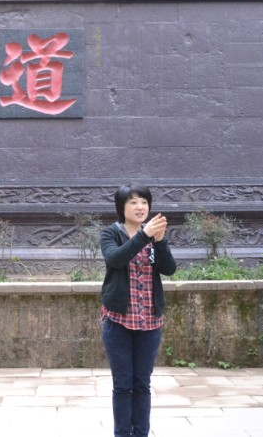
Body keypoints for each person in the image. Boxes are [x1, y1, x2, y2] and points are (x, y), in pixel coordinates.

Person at [99, 183, 177, 437]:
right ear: (122, 207)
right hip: (118, 321)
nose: (140, 207)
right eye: (133, 202)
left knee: (142, 384)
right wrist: (144, 236)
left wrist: (160, 241)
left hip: (149, 323)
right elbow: (116, 259)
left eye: (144, 202)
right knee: (123, 385)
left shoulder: (153, 236)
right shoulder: (111, 233)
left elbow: (169, 269)